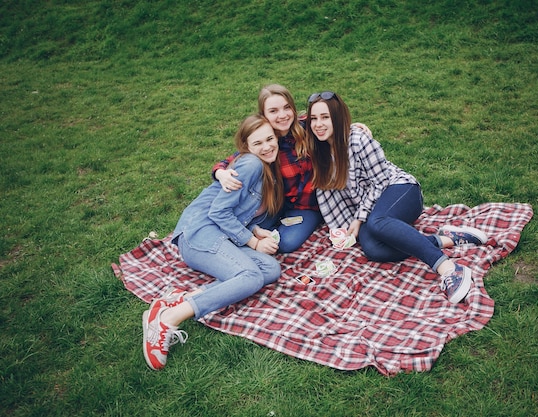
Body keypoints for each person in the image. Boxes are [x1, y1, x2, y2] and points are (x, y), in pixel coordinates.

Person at [305, 91, 488, 304]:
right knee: (373, 249)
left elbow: (381, 181)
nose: (318, 124)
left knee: (377, 222)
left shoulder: (357, 139)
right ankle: (447, 239)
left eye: (325, 117)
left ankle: (448, 268)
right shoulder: (319, 148)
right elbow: (288, 122)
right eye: (314, 118)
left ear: (337, 117)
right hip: (372, 207)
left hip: (400, 190)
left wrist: (359, 217)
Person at [142, 114, 284, 370]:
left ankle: (180, 299)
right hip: (198, 232)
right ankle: (169, 318)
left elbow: (236, 211)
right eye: (258, 143)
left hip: (218, 232)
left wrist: (255, 229)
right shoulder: (252, 165)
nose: (267, 146)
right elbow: (218, 212)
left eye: (270, 139)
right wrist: (251, 242)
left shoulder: (265, 170)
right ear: (247, 147)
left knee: (271, 269)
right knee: (251, 276)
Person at [213, 84, 371, 253]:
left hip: (309, 206)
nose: (282, 115)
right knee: (240, 228)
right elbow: (236, 157)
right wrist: (220, 172)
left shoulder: (306, 127)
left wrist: (353, 127)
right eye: (273, 111)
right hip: (278, 204)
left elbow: (329, 125)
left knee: (286, 243)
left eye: (287, 108)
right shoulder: (265, 141)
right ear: (264, 115)